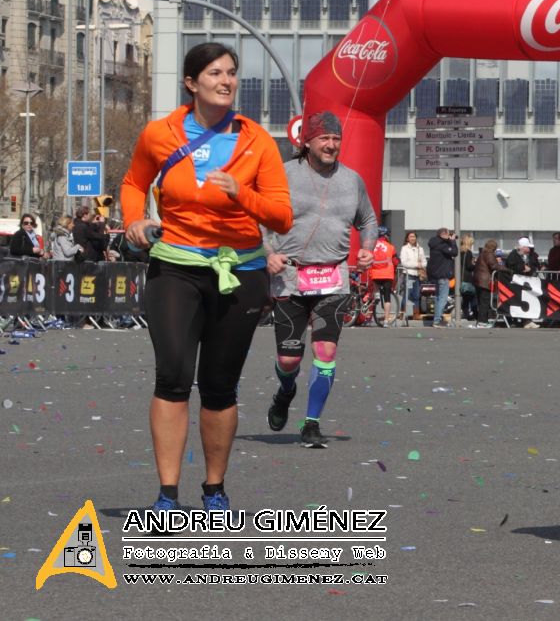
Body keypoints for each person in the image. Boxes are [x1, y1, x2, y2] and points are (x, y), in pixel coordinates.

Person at [121, 41, 292, 514]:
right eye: (215, 73)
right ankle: (167, 494)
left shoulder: (257, 141)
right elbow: (134, 182)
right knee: (173, 374)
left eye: (231, 72)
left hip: (240, 272)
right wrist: (135, 220)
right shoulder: (160, 134)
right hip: (174, 266)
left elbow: (281, 217)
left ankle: (214, 488)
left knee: (219, 385)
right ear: (191, 83)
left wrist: (241, 194)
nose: (226, 80)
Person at [262, 111, 377, 449]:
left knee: (325, 351)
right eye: (324, 138)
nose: (331, 145)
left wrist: (367, 247)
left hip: (333, 278)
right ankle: (285, 390)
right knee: (289, 359)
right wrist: (268, 253)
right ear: (307, 141)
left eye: (336, 139)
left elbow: (368, 220)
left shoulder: (352, 180)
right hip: (290, 277)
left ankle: (311, 423)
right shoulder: (283, 175)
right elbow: (259, 219)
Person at [426, 227, 458, 327]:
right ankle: (437, 320)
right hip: (442, 275)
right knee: (442, 299)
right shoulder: (442, 245)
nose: (449, 236)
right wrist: (453, 241)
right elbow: (454, 252)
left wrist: (449, 240)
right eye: (448, 234)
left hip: (435, 275)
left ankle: (437, 319)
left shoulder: (434, 243)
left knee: (438, 298)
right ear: (443, 234)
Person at [369, 226, 398, 326]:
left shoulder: (371, 246)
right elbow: (395, 261)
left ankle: (376, 294)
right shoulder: (390, 247)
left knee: (375, 284)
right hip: (387, 274)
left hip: (375, 273)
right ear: (385, 236)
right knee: (387, 298)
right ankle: (386, 320)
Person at [398, 231, 427, 321]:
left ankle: (416, 314)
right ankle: (402, 313)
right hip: (408, 275)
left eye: (414, 236)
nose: (413, 238)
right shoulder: (404, 248)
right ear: (407, 238)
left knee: (417, 295)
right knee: (407, 294)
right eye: (411, 236)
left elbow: (425, 262)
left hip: (417, 275)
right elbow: (404, 263)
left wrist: (421, 265)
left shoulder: (420, 249)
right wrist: (416, 265)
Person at [473, 238, 500, 325]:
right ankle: (482, 321)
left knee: (481, 301)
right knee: (485, 301)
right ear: (494, 247)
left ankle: (482, 320)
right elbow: (494, 266)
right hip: (485, 281)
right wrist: (507, 270)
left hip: (478, 280)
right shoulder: (489, 254)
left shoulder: (482, 254)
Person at [458, 234, 478, 321]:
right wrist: (474, 263)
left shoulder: (460, 251)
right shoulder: (468, 253)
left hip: (460, 277)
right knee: (472, 296)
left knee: (466, 298)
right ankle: (475, 315)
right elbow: (469, 266)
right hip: (467, 278)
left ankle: (466, 314)